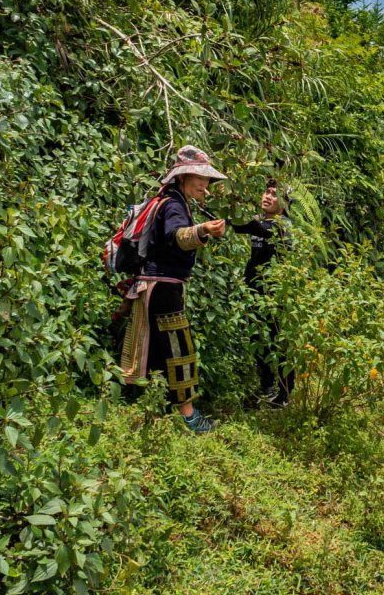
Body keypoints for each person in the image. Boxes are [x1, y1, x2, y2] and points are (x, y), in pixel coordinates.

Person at [119, 145, 227, 434]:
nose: (204, 183)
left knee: (155, 349)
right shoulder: (174, 205)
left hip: (155, 286)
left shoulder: (170, 200)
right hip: (163, 287)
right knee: (179, 350)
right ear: (181, 177)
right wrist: (203, 230)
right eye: (197, 176)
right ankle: (189, 416)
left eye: (206, 179)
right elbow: (177, 237)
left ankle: (150, 410)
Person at [230, 179, 294, 407]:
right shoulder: (259, 221)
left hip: (275, 293)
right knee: (259, 339)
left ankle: (286, 395)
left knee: (278, 342)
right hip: (254, 290)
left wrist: (236, 214)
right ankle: (267, 388)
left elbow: (252, 227)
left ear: (284, 203)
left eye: (274, 194)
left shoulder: (283, 225)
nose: (267, 197)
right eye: (266, 192)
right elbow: (238, 226)